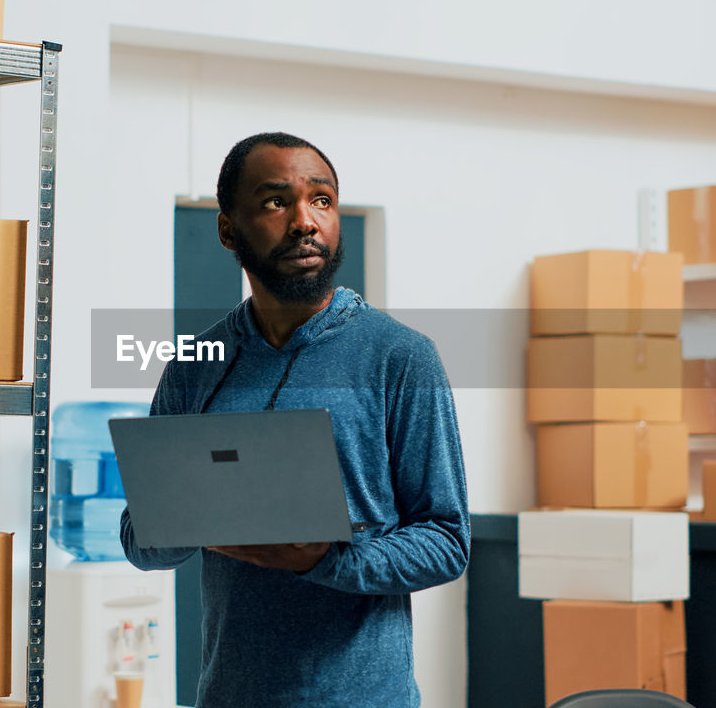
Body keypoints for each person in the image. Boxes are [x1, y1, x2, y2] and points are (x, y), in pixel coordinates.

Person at [120, 131, 469, 708]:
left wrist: (325, 560)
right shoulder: (193, 367)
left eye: (322, 200)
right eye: (276, 202)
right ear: (228, 229)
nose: (305, 221)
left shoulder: (401, 356)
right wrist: (192, 517)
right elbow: (140, 540)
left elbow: (446, 540)